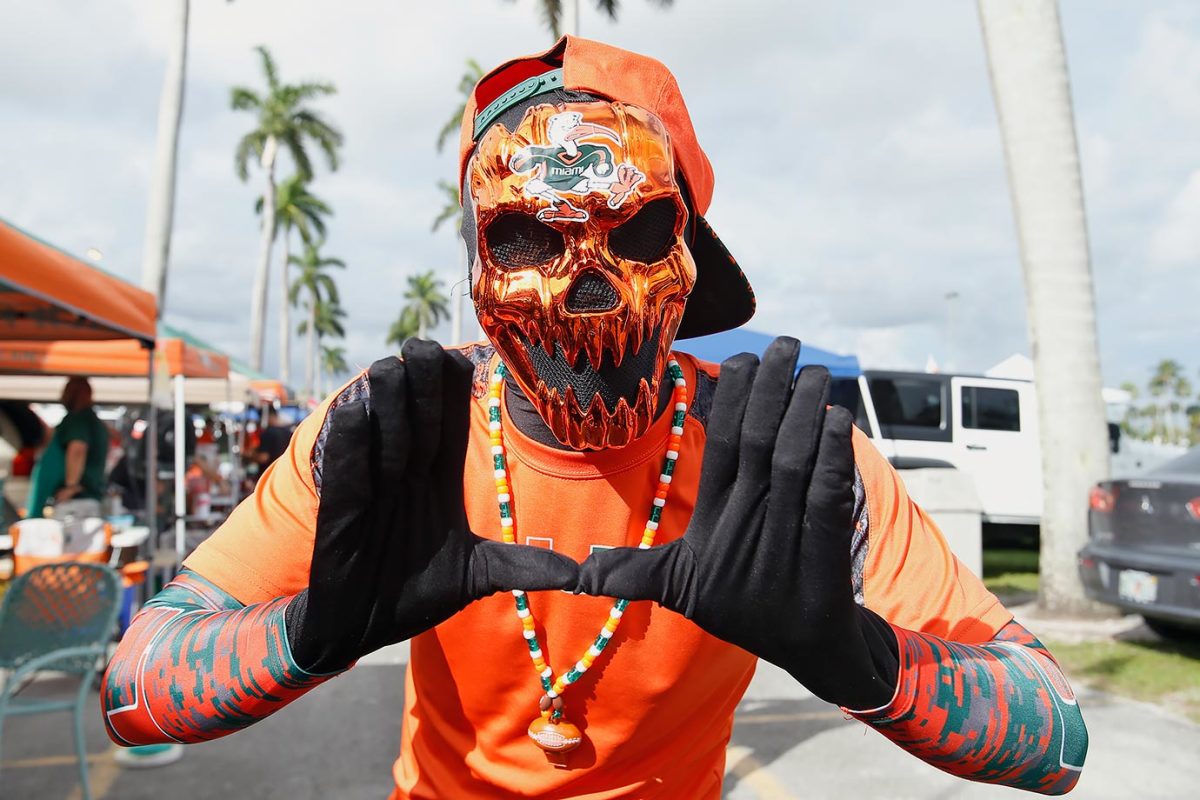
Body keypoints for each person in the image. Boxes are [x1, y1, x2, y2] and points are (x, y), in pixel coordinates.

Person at [102, 37, 1087, 798]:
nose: (586, 290)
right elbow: (134, 687)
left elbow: (1057, 733)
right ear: (483, 270)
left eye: (637, 231)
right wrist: (308, 634)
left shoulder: (776, 462)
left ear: (687, 257)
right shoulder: (401, 435)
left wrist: (861, 659)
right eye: (529, 234)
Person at [28, 376, 109, 518]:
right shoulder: (92, 421)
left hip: (74, 501)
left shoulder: (78, 419)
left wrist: (71, 487)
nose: (63, 396)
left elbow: (77, 448)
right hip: (84, 498)